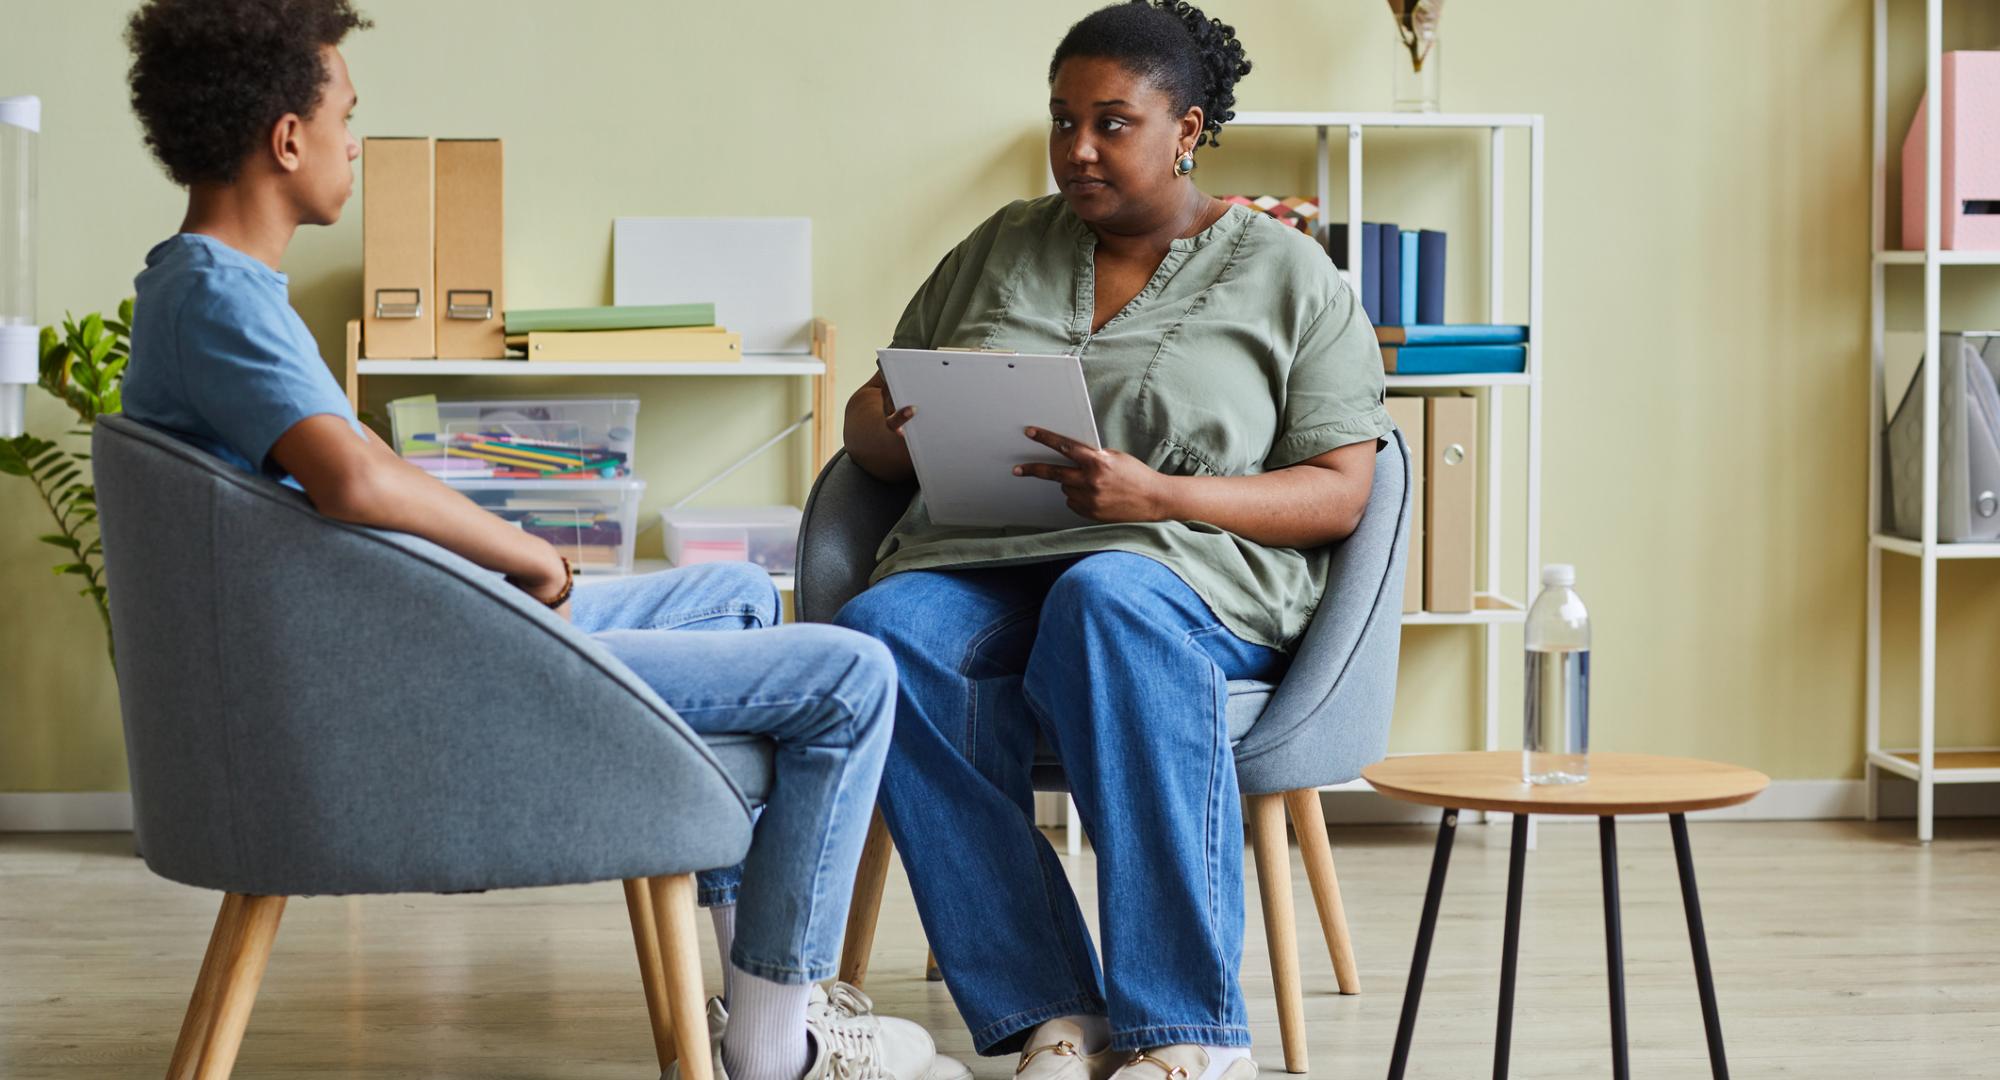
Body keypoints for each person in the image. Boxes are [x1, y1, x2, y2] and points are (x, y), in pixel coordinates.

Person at [115, 4, 959, 1079]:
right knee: (850, 674)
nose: (355, 150)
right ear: (287, 139)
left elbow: (347, 490)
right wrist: (526, 553)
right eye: (347, 121)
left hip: (412, 626)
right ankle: (777, 1039)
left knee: (737, 596)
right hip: (418, 664)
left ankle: (754, 1001)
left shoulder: (202, 289)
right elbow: (355, 478)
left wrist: (495, 555)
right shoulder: (218, 298)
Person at [834, 4, 1392, 1080]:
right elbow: (868, 423)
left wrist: (1157, 495)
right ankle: (1053, 1005)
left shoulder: (1292, 277)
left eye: (1110, 122)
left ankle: (1182, 1030)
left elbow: (1337, 494)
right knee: (878, 634)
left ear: (1185, 128)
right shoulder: (1000, 243)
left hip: (1184, 575)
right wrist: (894, 421)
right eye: (1059, 122)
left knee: (1106, 598)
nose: (1075, 150)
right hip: (980, 559)